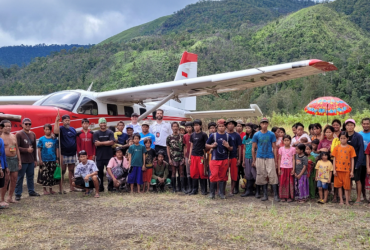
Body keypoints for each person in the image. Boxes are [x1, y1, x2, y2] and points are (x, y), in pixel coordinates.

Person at [252, 118, 279, 202]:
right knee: (261, 174)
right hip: (259, 157)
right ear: (260, 124)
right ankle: (265, 195)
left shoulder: (271, 134)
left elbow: (274, 148)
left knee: (272, 175)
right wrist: (254, 160)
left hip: (270, 156)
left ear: (268, 124)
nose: (264, 125)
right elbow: (253, 148)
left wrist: (275, 159)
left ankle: (276, 195)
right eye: (263, 123)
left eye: (266, 123)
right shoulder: (256, 135)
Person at [206, 119, 233, 199]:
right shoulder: (213, 135)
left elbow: (231, 148)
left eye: (223, 126)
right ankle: (212, 193)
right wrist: (212, 146)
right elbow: (206, 145)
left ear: (225, 127)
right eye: (220, 126)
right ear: (217, 127)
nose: (221, 128)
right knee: (213, 175)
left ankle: (221, 193)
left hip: (224, 159)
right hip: (214, 159)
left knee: (222, 176)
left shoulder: (228, 136)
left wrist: (228, 146)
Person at [15, 118, 40, 201]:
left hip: (31, 160)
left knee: (30, 177)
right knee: (20, 177)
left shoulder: (33, 134)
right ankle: (18, 194)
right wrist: (26, 150)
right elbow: (16, 147)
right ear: (22, 125)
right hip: (22, 160)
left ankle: (31, 191)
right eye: (26, 124)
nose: (28, 125)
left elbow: (34, 147)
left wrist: (35, 160)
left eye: (29, 124)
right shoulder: (18, 134)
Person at [54, 113, 77, 193]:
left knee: (71, 170)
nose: (67, 122)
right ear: (62, 121)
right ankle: (61, 188)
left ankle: (72, 187)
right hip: (63, 153)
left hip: (72, 153)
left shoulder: (73, 129)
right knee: (62, 171)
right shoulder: (60, 129)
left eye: (68, 120)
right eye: (65, 120)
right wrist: (56, 121)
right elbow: (55, 132)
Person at [1, 120, 22, 204]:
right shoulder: (1, 137)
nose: (8, 127)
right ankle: (2, 199)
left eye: (9, 126)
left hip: (14, 159)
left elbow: (17, 149)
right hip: (5, 159)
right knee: (5, 180)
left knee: (14, 179)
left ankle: (10, 197)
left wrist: (19, 161)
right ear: (2, 127)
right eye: (6, 126)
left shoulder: (14, 136)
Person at [332, 131, 356, 206]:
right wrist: (334, 169)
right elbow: (334, 159)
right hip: (338, 170)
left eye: (344, 138)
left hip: (347, 170)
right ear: (339, 139)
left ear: (347, 138)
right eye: (341, 138)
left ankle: (347, 201)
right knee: (339, 186)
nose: (343, 140)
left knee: (346, 187)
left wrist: (352, 171)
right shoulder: (336, 148)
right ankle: (341, 201)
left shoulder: (351, 148)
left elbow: (352, 159)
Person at [344, 119, 364, 205]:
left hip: (356, 162)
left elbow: (361, 150)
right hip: (345, 162)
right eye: (348, 125)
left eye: (351, 125)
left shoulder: (358, 136)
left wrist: (358, 163)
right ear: (345, 126)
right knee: (348, 180)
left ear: (354, 126)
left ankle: (358, 198)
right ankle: (348, 198)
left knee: (357, 180)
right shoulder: (344, 135)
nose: (349, 127)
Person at [93, 118, 115, 192]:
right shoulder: (96, 133)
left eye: (104, 123)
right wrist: (107, 142)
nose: (103, 124)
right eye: (101, 123)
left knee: (110, 172)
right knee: (100, 173)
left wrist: (101, 143)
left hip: (109, 156)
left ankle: (110, 187)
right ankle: (100, 187)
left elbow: (112, 142)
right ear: (99, 124)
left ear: (106, 123)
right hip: (99, 156)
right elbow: (96, 143)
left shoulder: (110, 132)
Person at [37, 124, 59, 195]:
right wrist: (40, 159)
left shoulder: (54, 139)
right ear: (44, 130)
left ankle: (50, 189)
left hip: (52, 159)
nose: (47, 131)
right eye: (45, 129)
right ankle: (44, 190)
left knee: (51, 175)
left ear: (50, 130)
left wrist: (57, 158)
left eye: (48, 129)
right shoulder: (41, 139)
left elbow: (56, 149)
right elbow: (39, 150)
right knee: (44, 175)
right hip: (44, 160)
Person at [188, 119, 209, 195]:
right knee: (194, 173)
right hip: (193, 156)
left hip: (201, 156)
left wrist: (205, 156)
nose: (196, 127)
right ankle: (194, 190)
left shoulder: (204, 135)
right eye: (194, 125)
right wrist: (189, 157)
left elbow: (207, 145)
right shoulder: (192, 135)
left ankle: (204, 190)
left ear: (200, 126)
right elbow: (191, 146)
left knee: (202, 173)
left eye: (197, 125)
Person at [166, 122, 185, 193]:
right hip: (173, 157)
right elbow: (168, 148)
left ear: (178, 127)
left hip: (181, 156)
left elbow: (184, 147)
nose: (175, 128)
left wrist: (184, 157)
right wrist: (169, 159)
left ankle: (181, 188)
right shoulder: (169, 137)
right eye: (173, 126)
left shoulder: (182, 137)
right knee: (173, 172)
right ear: (171, 128)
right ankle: (174, 188)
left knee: (181, 172)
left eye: (176, 126)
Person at [225, 119, 242, 197]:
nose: (230, 125)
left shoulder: (237, 135)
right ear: (226, 125)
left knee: (234, 175)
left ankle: (232, 190)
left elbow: (239, 147)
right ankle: (222, 189)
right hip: (224, 157)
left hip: (234, 157)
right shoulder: (223, 134)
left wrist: (239, 159)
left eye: (232, 124)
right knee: (224, 174)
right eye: (229, 124)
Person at [278, 135, 295, 202]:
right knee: (282, 182)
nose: (286, 142)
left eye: (288, 140)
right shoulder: (281, 149)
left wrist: (293, 169)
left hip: (290, 168)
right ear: (283, 141)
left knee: (290, 182)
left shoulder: (293, 149)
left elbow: (293, 159)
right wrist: (279, 169)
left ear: (290, 141)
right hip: (282, 167)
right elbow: (279, 159)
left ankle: (289, 196)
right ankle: (282, 196)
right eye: (285, 140)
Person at [241, 123, 256, 197]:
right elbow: (244, 149)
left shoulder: (255, 137)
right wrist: (243, 160)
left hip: (253, 157)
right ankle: (248, 191)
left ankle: (257, 191)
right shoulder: (245, 138)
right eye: (246, 128)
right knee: (248, 175)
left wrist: (254, 159)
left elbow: (256, 148)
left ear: (252, 129)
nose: (247, 129)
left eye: (248, 128)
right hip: (247, 158)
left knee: (255, 174)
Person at [359, 118, 370, 202]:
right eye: (364, 123)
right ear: (362, 124)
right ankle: (363, 196)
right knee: (362, 179)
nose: (366, 125)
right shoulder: (359, 135)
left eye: (367, 123)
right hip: (361, 160)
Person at [235, 120, 246, 194]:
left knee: (244, 173)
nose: (239, 128)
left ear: (242, 127)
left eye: (240, 126)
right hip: (235, 157)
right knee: (236, 173)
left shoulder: (245, 135)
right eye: (237, 126)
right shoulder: (233, 135)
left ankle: (245, 186)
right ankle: (236, 188)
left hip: (244, 157)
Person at [0, 122, 9, 208]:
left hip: (2, 165)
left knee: (1, 184)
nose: (0, 130)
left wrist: (5, 167)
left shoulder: (1, 140)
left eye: (1, 128)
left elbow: (3, 155)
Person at [183, 121, 193, 194]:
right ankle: (190, 187)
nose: (188, 129)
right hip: (187, 156)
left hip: (194, 155)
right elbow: (185, 147)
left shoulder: (194, 135)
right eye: (187, 127)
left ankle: (194, 187)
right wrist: (184, 156)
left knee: (194, 171)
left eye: (189, 127)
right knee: (188, 172)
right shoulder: (185, 136)